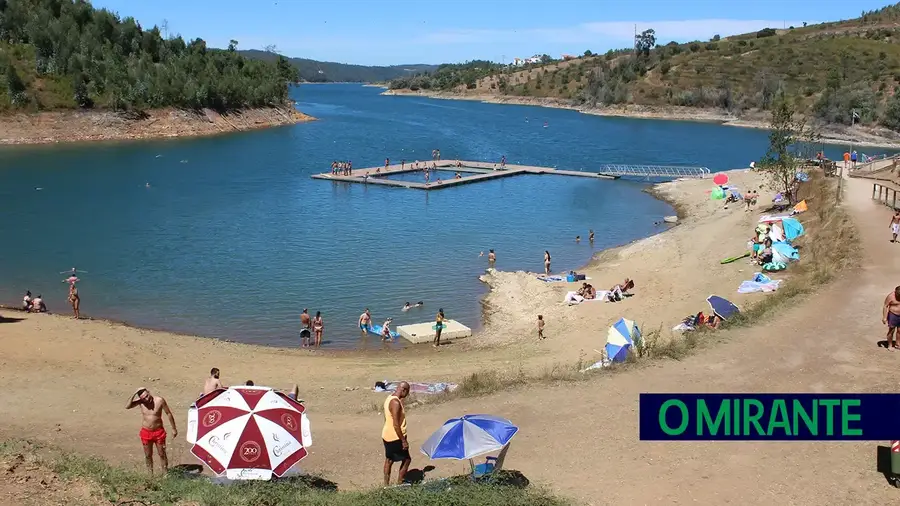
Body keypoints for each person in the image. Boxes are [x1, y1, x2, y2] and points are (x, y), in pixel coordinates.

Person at [126, 388, 177, 475]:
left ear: (149, 392)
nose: (146, 399)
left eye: (147, 396)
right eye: (143, 398)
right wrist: (134, 393)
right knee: (148, 455)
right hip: (146, 432)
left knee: (162, 454)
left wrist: (173, 428)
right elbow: (127, 406)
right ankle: (150, 475)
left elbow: (168, 413)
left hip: (158, 432)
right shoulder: (141, 402)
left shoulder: (160, 400)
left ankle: (165, 474)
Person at [382, 381, 411, 486]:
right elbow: (396, 424)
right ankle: (400, 483)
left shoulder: (389, 398)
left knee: (389, 460)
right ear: (403, 390)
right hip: (395, 437)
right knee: (407, 459)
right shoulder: (395, 403)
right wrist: (403, 441)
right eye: (407, 392)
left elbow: (387, 417)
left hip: (387, 435)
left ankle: (386, 485)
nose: (407, 395)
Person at [884, 286, 900, 351]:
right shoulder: (891, 296)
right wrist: (884, 317)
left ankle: (898, 344)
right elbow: (885, 306)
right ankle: (890, 345)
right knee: (892, 330)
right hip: (893, 315)